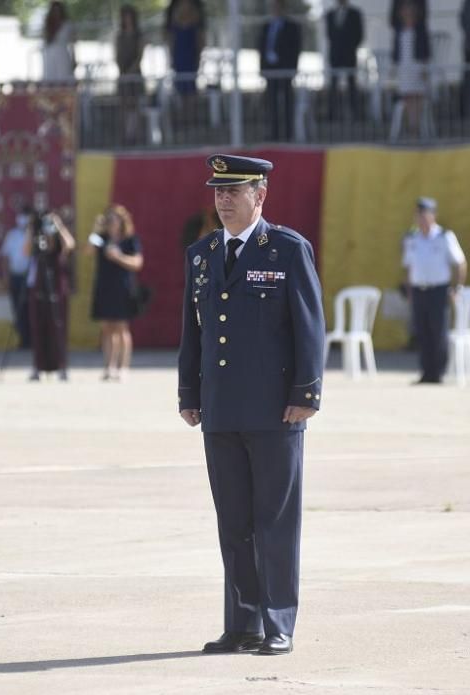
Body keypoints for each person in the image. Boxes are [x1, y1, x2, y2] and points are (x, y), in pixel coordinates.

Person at [178, 154, 325, 657]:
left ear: (259, 197)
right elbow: (191, 334)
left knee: (275, 523)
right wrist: (189, 395)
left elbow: (309, 328)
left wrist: (306, 394)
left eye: (233, 192)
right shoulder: (201, 255)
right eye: (218, 192)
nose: (223, 200)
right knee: (234, 523)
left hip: (273, 411)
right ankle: (241, 624)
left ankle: (277, 622)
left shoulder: (286, 249)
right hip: (220, 411)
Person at [402, 197, 467, 384]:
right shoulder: (412, 238)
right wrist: (409, 291)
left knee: (438, 332)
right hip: (418, 289)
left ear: (433, 216)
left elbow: (460, 263)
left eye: (424, 215)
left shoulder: (444, 236)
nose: (421, 219)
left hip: (439, 289)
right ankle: (425, 372)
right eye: (418, 215)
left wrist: (457, 287)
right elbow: (408, 266)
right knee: (422, 331)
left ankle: (438, 373)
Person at [89, 204, 144, 382]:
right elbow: (88, 250)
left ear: (121, 221)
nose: (111, 222)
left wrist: (118, 257)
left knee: (121, 328)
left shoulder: (129, 239)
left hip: (122, 287)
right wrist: (95, 230)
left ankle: (123, 367)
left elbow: (137, 263)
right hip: (104, 286)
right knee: (106, 328)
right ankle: (108, 366)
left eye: (114, 218)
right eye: (108, 218)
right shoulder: (101, 238)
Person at [24, 211, 75, 381]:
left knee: (58, 328)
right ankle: (37, 367)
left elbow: (70, 244)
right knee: (38, 328)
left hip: (58, 290)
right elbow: (25, 251)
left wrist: (58, 225)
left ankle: (61, 366)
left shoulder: (59, 249)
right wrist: (32, 230)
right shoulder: (38, 245)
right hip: (39, 290)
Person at [258, 0, 302, 142]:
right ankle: (274, 132)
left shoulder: (292, 26)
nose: (275, 10)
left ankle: (288, 133)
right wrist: (262, 67)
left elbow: (295, 48)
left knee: (287, 101)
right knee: (271, 103)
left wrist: (293, 68)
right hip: (270, 71)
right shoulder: (266, 26)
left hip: (285, 70)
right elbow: (261, 47)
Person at [391, 0, 431, 138]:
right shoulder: (399, 32)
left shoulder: (420, 31)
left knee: (417, 96)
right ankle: (411, 126)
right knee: (408, 97)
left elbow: (426, 53)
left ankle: (416, 127)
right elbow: (396, 54)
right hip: (405, 68)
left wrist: (424, 69)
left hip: (417, 67)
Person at [324, 0, 364, 121]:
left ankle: (354, 114)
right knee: (333, 84)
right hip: (335, 54)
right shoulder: (330, 14)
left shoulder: (355, 13)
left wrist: (350, 47)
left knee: (352, 84)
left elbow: (359, 35)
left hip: (350, 54)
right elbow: (329, 34)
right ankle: (331, 114)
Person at [164, 0, 204, 114]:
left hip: (191, 55)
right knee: (180, 86)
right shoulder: (174, 16)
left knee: (191, 86)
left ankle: (191, 114)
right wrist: (171, 57)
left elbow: (200, 39)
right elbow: (170, 39)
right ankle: (183, 114)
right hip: (179, 56)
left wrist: (199, 56)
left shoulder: (195, 16)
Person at [0, 205, 32, 349]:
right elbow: (5, 257)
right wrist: (6, 277)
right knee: (17, 309)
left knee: (30, 308)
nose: (22, 219)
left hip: (30, 278)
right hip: (16, 277)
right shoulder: (12, 235)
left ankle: (33, 340)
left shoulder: (35, 235)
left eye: (25, 216)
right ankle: (24, 339)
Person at [116, 4, 145, 145]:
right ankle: (124, 136)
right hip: (123, 74)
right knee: (124, 105)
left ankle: (138, 136)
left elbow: (140, 56)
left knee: (135, 104)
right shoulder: (119, 35)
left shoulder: (138, 35)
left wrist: (131, 71)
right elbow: (117, 55)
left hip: (134, 74)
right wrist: (122, 71)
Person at [42, 1, 75, 82]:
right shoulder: (48, 25)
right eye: (54, 11)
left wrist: (74, 57)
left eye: (58, 10)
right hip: (49, 54)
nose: (56, 13)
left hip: (62, 54)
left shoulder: (67, 25)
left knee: (63, 76)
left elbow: (73, 43)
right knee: (50, 77)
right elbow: (45, 40)